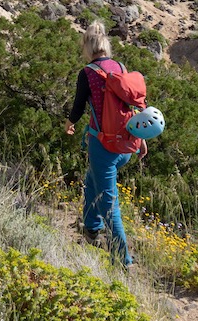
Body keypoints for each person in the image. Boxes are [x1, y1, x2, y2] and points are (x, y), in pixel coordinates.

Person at [63, 20, 145, 267]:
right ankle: (91, 229)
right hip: (126, 146)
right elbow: (131, 106)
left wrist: (69, 123)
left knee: (110, 205)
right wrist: (140, 140)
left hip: (104, 146)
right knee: (92, 181)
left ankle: (123, 261)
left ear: (87, 48)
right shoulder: (119, 67)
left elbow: (78, 106)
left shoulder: (87, 73)